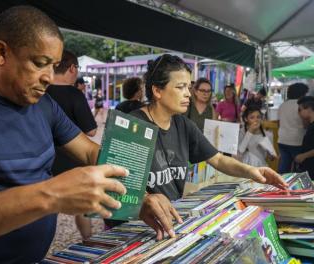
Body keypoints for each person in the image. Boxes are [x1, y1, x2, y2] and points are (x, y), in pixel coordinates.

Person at [0, 6, 129, 263]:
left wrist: (139, 195)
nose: (49, 77)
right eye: (40, 63)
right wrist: (51, 195)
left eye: (55, 66)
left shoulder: (44, 105)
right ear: (2, 53)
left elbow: (90, 151)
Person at [107, 54, 288, 237]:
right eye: (180, 87)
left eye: (189, 86)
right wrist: (145, 198)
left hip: (169, 223)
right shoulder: (133, 126)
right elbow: (118, 185)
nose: (188, 93)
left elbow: (217, 159)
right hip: (135, 228)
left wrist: (253, 171)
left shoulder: (182, 124)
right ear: (157, 91)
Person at [47, 50, 97, 239]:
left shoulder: (43, 92)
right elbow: (91, 131)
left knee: (47, 206)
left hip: (47, 160)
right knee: (82, 207)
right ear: (72, 68)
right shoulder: (75, 94)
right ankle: (88, 242)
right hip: (73, 157)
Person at [277, 83, 308, 173]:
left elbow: (279, 124)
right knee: (299, 167)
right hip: (297, 140)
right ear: (302, 94)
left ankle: (281, 184)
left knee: (284, 166)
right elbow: (305, 124)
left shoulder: (283, 105)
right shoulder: (302, 106)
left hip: (282, 139)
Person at [295, 96, 314, 179]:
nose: (298, 113)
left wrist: (304, 156)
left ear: (309, 109)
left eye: (300, 109)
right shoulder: (310, 124)